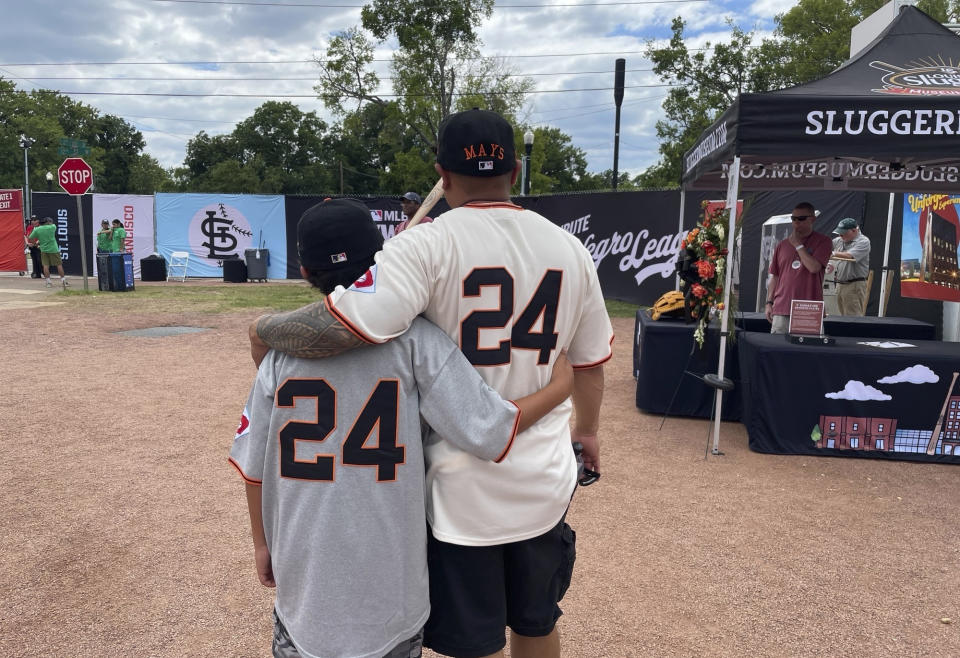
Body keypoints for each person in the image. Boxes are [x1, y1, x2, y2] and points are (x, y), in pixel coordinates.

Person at [250, 109, 613, 658]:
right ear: (515, 168)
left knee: (476, 641)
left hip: (458, 489)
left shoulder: (423, 247)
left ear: (441, 174)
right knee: (537, 622)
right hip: (544, 478)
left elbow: (341, 325)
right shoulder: (570, 250)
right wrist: (587, 431)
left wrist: (263, 330)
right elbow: (588, 366)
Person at [765, 202, 832, 334]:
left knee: (808, 351)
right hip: (782, 307)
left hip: (808, 309)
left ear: (812, 219)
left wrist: (798, 245)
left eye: (801, 219)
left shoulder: (823, 241)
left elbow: (814, 267)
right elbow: (775, 276)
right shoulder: (782, 245)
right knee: (777, 350)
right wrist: (769, 303)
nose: (796, 222)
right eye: (793, 219)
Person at [831, 217, 871, 316]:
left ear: (854, 230)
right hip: (840, 284)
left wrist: (832, 253)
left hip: (854, 285)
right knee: (839, 316)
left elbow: (849, 255)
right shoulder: (839, 240)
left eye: (843, 232)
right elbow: (826, 245)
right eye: (839, 232)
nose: (840, 235)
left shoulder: (863, 241)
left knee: (853, 318)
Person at [27, 217, 68, 288]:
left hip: (44, 250)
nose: (51, 223)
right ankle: (63, 281)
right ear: (47, 222)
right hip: (54, 249)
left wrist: (35, 244)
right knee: (59, 265)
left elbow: (30, 238)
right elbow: (52, 225)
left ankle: (48, 282)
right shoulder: (52, 227)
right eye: (50, 221)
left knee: (45, 266)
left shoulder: (37, 229)